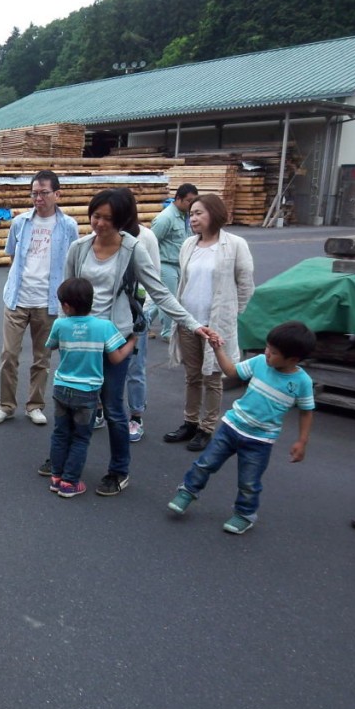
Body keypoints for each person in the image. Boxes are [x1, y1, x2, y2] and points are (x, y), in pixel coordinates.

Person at [55, 188, 215, 497]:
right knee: (72, 403)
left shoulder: (132, 249)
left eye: (108, 219)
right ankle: (63, 463)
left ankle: (119, 471)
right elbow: (66, 293)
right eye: (96, 216)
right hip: (81, 340)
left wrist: (193, 325)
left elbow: (159, 292)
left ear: (123, 220)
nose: (99, 224)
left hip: (114, 339)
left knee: (114, 409)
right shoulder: (79, 247)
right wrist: (64, 331)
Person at [167, 321, 315, 535]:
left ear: (293, 359)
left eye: (273, 352)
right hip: (231, 427)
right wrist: (217, 349)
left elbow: (306, 411)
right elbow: (231, 371)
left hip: (260, 441)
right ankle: (187, 491)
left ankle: (245, 514)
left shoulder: (302, 382)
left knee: (249, 482)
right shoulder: (259, 362)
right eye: (267, 348)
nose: (266, 353)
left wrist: (302, 441)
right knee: (205, 463)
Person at [0, 170, 80, 428]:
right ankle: (5, 405)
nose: (38, 198)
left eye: (43, 193)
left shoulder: (68, 226)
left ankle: (35, 405)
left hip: (49, 302)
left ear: (57, 194)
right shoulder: (21, 222)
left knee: (42, 358)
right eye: (34, 193)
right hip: (17, 298)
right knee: (9, 354)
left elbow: (72, 263)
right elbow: (11, 256)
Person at [164, 194, 255, 453]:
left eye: (198, 213)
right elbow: (185, 282)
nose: (193, 218)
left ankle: (207, 427)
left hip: (215, 324)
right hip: (189, 322)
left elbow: (246, 285)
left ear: (213, 214)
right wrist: (184, 318)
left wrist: (230, 315)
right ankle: (190, 422)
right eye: (191, 213)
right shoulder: (189, 245)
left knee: (213, 378)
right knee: (192, 376)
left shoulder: (235, 245)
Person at [45, 278, 136, 498]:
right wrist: (132, 342)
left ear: (66, 306)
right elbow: (115, 358)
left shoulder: (60, 325)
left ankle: (57, 477)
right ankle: (70, 482)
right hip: (86, 394)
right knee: (80, 438)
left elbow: (50, 345)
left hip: (61, 388)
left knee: (60, 433)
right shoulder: (103, 327)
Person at [124, 220, 161, 442]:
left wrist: (145, 309)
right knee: (102, 364)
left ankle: (136, 415)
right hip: (109, 313)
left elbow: (153, 277)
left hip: (137, 311)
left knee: (135, 368)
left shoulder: (146, 237)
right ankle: (99, 409)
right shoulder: (101, 233)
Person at [151, 183, 199, 341]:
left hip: (180, 265)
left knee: (161, 299)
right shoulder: (165, 218)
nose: (191, 205)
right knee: (169, 300)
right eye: (189, 201)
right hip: (166, 265)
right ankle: (167, 332)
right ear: (178, 199)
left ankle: (142, 322)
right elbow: (151, 242)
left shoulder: (186, 216)